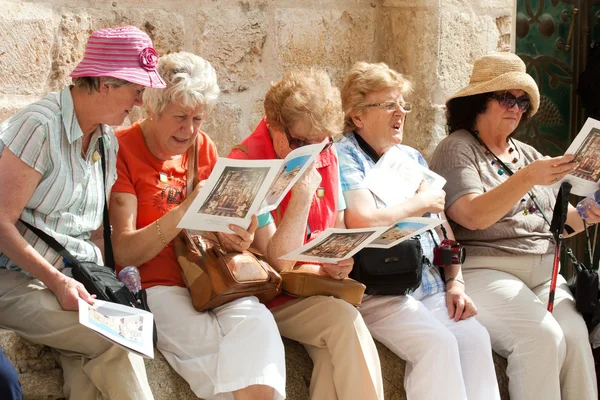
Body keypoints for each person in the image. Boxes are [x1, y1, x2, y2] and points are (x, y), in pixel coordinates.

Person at [109, 51, 286, 400]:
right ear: (152, 108)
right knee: (213, 353)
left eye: (198, 118)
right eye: (179, 117)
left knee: (259, 324)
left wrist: (241, 236)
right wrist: (184, 209)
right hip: (155, 285)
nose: (189, 129)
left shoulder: (202, 146)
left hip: (211, 278)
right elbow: (125, 250)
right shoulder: (121, 149)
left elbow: (219, 227)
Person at [0, 26, 163, 400]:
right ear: (105, 83)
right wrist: (58, 283)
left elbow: (91, 233)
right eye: (136, 90)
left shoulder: (106, 140)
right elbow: (0, 222)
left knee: (93, 365)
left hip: (74, 283)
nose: (139, 102)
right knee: (114, 343)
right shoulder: (40, 126)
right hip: (18, 278)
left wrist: (100, 287)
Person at [429, 51, 599, 400]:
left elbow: (558, 224)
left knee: (577, 338)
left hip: (543, 271)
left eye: (523, 102)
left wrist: (587, 213)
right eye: (507, 97)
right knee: (541, 337)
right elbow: (472, 215)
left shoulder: (529, 154)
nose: (516, 108)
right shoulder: (456, 148)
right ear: (479, 101)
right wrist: (526, 178)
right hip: (486, 269)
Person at [336, 61, 500, 400]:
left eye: (402, 104)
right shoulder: (345, 155)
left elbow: (443, 229)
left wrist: (456, 281)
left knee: (474, 338)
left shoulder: (410, 156)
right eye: (389, 105)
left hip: (429, 285)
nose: (401, 113)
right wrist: (421, 200)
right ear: (357, 116)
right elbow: (362, 219)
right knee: (436, 345)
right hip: (381, 291)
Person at [228, 69, 384, 400]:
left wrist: (339, 261)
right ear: (272, 123)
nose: (311, 153)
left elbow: (337, 227)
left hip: (318, 288)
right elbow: (279, 262)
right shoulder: (247, 160)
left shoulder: (321, 147)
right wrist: (301, 198)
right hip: (271, 296)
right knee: (345, 322)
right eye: (300, 142)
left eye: (321, 142)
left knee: (330, 363)